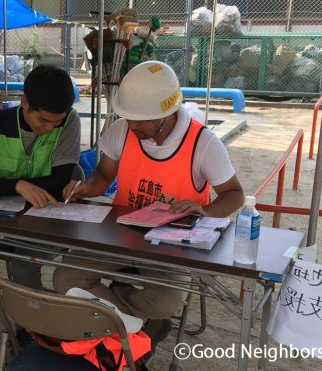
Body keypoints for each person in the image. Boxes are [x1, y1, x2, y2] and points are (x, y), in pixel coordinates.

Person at [53, 61, 244, 344]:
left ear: (165, 114)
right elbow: (104, 174)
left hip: (171, 246)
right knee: (65, 279)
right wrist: (86, 188)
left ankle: (119, 316)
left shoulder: (202, 144)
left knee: (166, 303)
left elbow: (234, 194)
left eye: (139, 120)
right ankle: (135, 323)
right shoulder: (121, 131)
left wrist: (203, 211)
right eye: (128, 118)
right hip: (118, 234)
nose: (131, 126)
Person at [0, 65, 80, 342]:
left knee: (22, 264)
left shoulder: (68, 120)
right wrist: (17, 185)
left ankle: (33, 330)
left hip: (44, 223)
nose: (50, 128)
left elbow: (60, 180)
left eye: (56, 122)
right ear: (25, 104)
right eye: (43, 121)